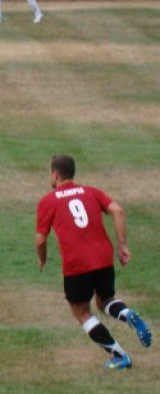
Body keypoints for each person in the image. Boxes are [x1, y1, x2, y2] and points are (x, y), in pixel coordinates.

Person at [35, 154, 152, 369]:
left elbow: (41, 239)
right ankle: (128, 314)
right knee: (105, 301)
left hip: (77, 264)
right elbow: (117, 210)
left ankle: (120, 356)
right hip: (103, 258)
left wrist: (41, 258)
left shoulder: (48, 200)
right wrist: (122, 245)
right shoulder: (91, 192)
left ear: (55, 174)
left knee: (81, 311)